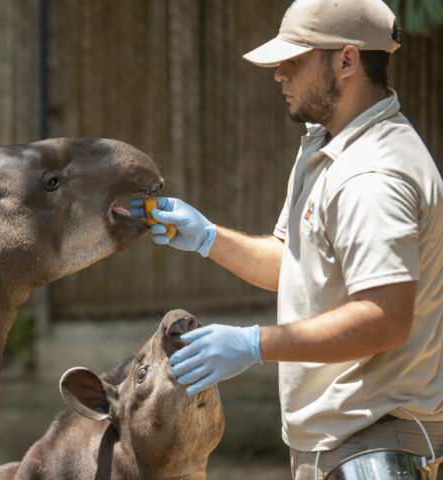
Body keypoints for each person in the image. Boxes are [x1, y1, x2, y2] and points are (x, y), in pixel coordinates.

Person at [129, 0, 443, 478]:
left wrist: (254, 343)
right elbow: (294, 266)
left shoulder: (374, 175)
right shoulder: (326, 145)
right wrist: (209, 238)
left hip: (376, 443)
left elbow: (385, 319)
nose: (279, 74)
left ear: (347, 60)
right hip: (334, 439)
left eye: (293, 60)